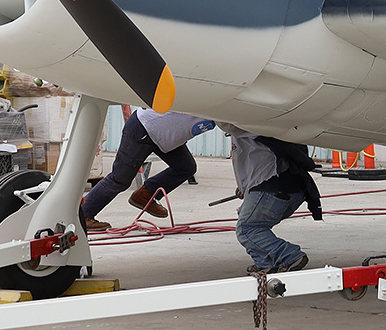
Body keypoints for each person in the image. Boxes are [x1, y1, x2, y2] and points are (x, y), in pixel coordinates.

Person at [80, 108, 215, 231]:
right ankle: (84, 215)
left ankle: (145, 195)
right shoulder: (216, 100)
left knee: (185, 167)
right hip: (144, 127)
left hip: (164, 137)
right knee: (120, 178)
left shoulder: (225, 111)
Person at [221, 124, 322, 273]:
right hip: (291, 189)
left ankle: (290, 256)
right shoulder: (268, 129)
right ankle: (265, 262)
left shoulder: (248, 125)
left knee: (247, 229)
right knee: (245, 214)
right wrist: (247, 188)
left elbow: (225, 122)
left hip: (273, 189)